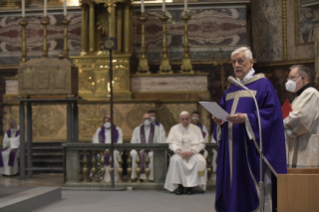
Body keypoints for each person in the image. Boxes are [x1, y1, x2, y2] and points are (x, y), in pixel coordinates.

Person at [212, 47, 287, 211]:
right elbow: (224, 116)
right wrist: (220, 122)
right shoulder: (230, 91)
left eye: (240, 61)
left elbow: (273, 115)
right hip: (233, 150)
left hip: (251, 151)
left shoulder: (263, 85)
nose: (236, 65)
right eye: (233, 62)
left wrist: (246, 118)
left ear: (251, 62)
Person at [284, 65, 319, 168]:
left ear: (303, 78)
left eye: (292, 78)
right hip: (296, 149)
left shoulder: (311, 94)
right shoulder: (298, 97)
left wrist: (277, 125)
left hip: (306, 153)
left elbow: (300, 120)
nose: (288, 81)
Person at [164, 111, 206, 195]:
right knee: (175, 160)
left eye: (187, 119)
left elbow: (201, 143)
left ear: (190, 119)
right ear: (180, 119)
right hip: (179, 153)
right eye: (183, 119)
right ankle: (180, 186)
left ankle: (191, 187)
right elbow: (171, 143)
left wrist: (192, 151)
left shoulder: (196, 129)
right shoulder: (174, 128)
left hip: (193, 153)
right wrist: (179, 151)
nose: (185, 121)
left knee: (200, 161)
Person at [92, 115, 123, 183]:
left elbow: (119, 143)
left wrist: (109, 150)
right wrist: (102, 150)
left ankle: (114, 179)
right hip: (102, 151)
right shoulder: (99, 130)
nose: (106, 123)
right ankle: (100, 178)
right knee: (97, 156)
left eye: (108, 121)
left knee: (113, 157)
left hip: (113, 151)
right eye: (105, 121)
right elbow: (95, 140)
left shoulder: (118, 130)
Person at [130, 113, 161, 181]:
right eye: (145, 119)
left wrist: (153, 148)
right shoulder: (137, 129)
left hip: (152, 151)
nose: (146, 120)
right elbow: (133, 142)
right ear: (142, 120)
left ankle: (151, 178)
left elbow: (159, 142)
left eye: (148, 118)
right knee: (135, 153)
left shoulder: (157, 129)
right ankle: (135, 176)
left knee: (151, 155)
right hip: (140, 151)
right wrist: (139, 149)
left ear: (151, 119)